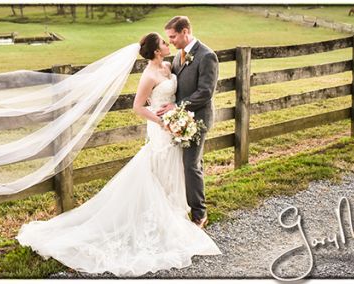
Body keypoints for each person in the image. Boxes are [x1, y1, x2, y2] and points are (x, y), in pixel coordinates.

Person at [15, 29, 221, 277]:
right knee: (158, 168)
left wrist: (176, 117)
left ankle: (174, 214)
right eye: (165, 42)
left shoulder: (170, 65)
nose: (169, 44)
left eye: (169, 39)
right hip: (160, 129)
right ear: (156, 50)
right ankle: (156, 219)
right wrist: (161, 122)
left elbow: (183, 90)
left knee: (173, 168)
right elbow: (138, 106)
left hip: (174, 127)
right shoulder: (148, 75)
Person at [156, 16, 218, 228]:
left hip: (197, 119)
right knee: (183, 164)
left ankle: (200, 214)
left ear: (185, 31)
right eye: (169, 38)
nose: (170, 41)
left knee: (191, 165)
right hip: (179, 119)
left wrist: (177, 106)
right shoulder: (177, 56)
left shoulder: (206, 56)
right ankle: (180, 206)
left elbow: (205, 92)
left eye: (173, 36)